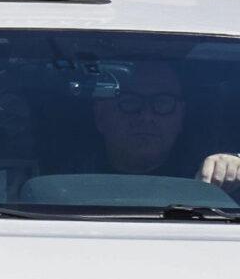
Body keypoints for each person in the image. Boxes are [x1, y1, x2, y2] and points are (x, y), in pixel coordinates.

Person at [90, 60, 240, 188]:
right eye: (130, 102)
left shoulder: (211, 173)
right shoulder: (68, 169)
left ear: (181, 116)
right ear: (101, 115)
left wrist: (233, 165)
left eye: (162, 103)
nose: (146, 116)